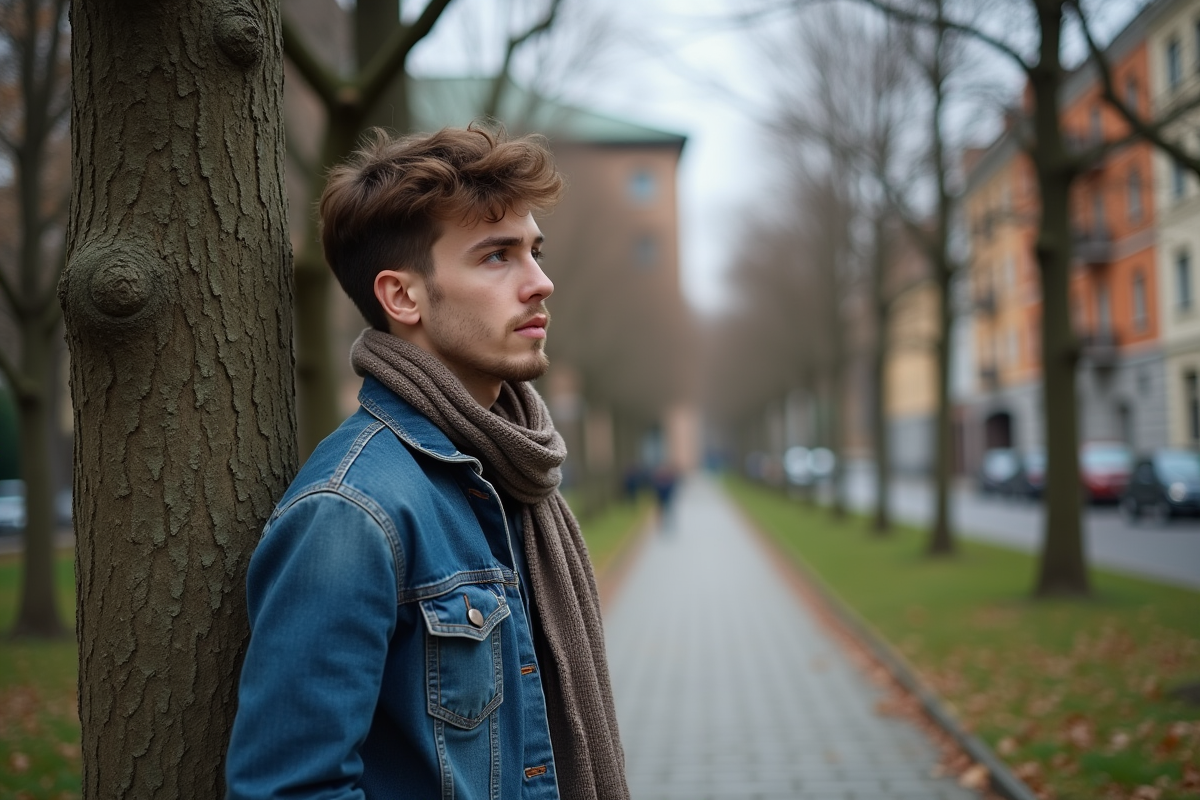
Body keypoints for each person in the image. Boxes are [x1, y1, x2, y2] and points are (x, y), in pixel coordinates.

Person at [226, 126, 629, 800]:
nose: (541, 283)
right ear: (403, 297)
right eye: (497, 257)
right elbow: (292, 788)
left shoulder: (516, 472)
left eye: (535, 251)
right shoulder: (351, 513)